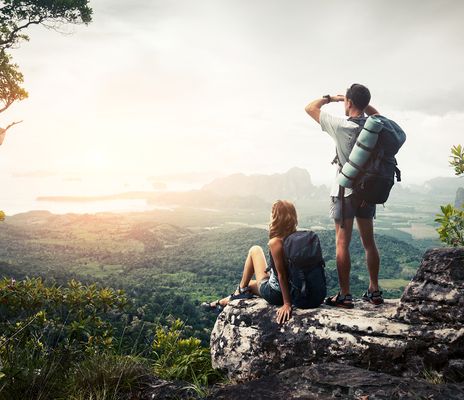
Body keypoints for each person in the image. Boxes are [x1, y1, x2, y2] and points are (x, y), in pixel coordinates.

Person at [304, 83, 384, 308]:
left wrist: (333, 98)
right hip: (368, 191)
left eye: (347, 101)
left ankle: (345, 295)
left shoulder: (340, 125)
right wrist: (360, 102)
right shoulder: (375, 125)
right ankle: (375, 290)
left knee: (342, 243)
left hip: (344, 191)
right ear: (365, 103)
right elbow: (378, 115)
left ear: (349, 102)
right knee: (369, 242)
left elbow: (310, 107)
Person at [202, 200, 298, 324]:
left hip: (276, 294)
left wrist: (286, 303)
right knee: (251, 285)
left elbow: (282, 275)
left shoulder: (276, 242)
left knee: (255, 250)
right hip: (295, 290)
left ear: (276, 217)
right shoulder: (297, 238)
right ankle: (221, 302)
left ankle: (238, 292)